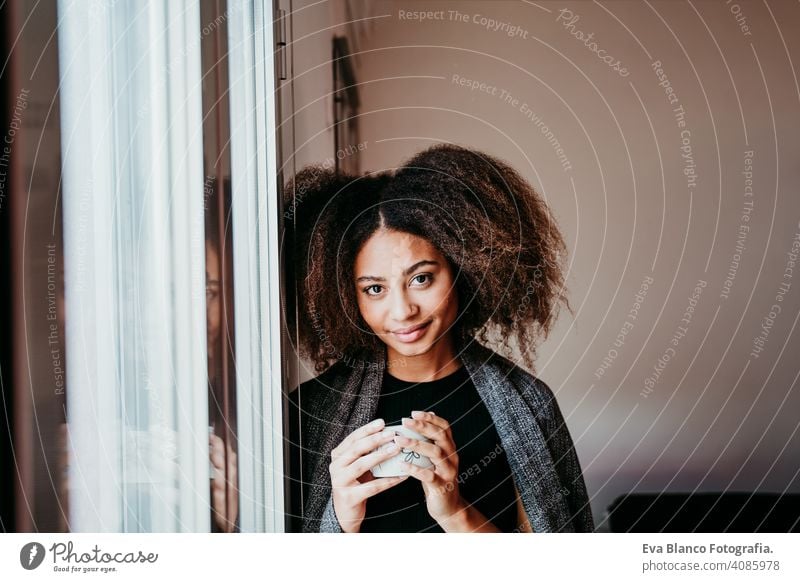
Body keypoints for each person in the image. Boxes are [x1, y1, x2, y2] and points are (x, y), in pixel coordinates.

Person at [284, 144, 593, 533]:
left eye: (421, 279)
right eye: (374, 289)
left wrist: (452, 509)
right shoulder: (311, 411)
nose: (402, 311)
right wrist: (340, 520)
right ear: (348, 296)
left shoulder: (527, 403)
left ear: (463, 270)